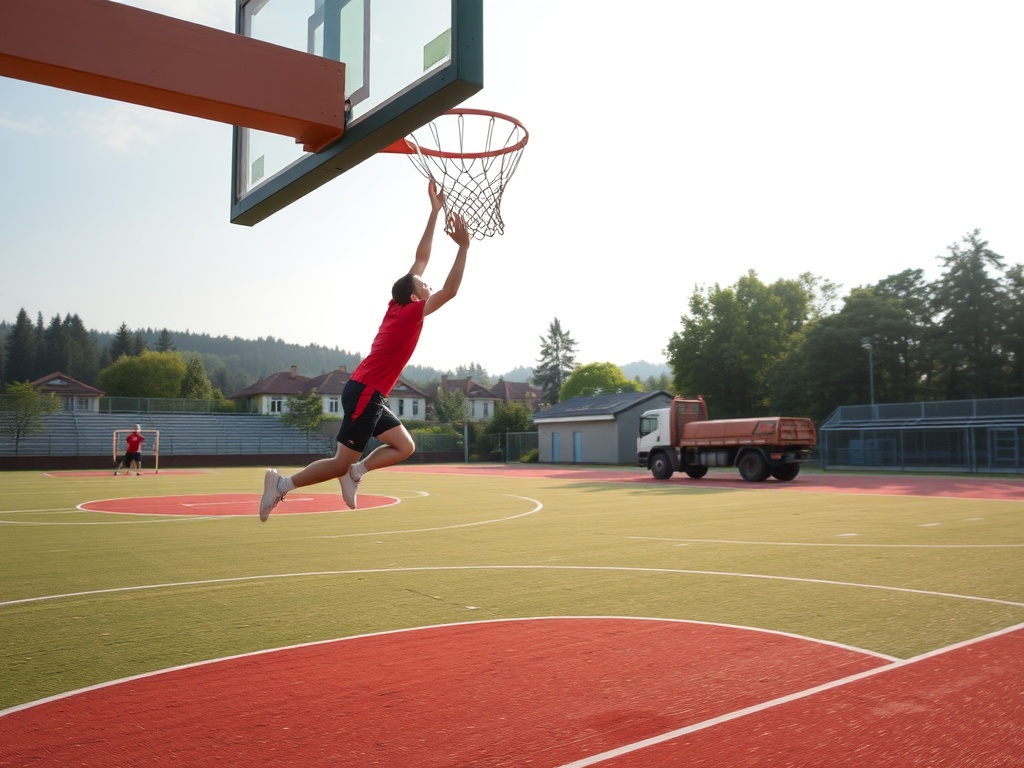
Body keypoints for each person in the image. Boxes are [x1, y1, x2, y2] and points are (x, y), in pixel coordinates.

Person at [259, 180, 471, 522]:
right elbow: (451, 290)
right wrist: (464, 247)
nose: (427, 283)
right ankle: (281, 484)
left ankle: (356, 473)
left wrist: (434, 211)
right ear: (416, 297)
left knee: (404, 446)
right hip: (365, 393)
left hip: (370, 393)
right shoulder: (409, 313)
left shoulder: (397, 303)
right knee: (338, 461)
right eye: (424, 285)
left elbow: (421, 258)